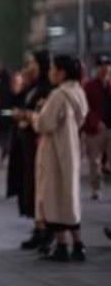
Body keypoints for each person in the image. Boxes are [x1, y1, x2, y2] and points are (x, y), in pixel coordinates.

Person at [32, 54, 87, 262]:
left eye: (52, 69)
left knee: (54, 195)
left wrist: (35, 115)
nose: (50, 73)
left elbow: (44, 123)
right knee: (69, 194)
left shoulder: (58, 95)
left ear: (61, 72)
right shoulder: (78, 92)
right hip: (71, 148)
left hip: (54, 152)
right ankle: (78, 243)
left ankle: (62, 244)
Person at [8, 51, 53, 251]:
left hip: (38, 144)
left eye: (32, 63)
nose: (28, 67)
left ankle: (46, 229)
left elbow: (44, 116)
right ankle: (37, 227)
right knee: (29, 185)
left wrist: (26, 114)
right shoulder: (31, 87)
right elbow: (10, 106)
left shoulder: (48, 89)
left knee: (39, 186)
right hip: (25, 143)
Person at [82, 54, 111, 201]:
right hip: (95, 129)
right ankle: (96, 188)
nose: (105, 69)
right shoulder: (89, 86)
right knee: (95, 160)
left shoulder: (110, 84)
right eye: (101, 66)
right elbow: (85, 108)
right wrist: (95, 122)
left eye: (107, 66)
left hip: (109, 127)